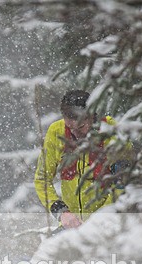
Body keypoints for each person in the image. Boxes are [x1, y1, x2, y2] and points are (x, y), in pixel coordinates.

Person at [34, 89, 129, 228]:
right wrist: (62, 212)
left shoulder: (112, 131)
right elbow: (42, 179)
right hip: (73, 225)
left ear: (92, 116)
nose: (75, 133)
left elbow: (124, 182)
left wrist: (102, 218)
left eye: (81, 127)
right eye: (69, 127)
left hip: (110, 223)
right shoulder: (56, 131)